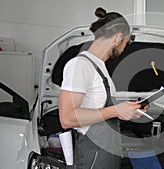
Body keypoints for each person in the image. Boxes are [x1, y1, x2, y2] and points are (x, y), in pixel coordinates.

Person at [59, 7, 145, 169]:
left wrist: (129, 110)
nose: (124, 48)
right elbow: (67, 118)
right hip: (93, 155)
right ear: (118, 38)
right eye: (126, 43)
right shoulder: (80, 65)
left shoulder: (100, 67)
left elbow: (99, 107)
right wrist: (115, 111)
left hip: (107, 154)